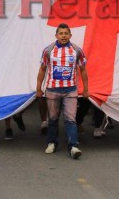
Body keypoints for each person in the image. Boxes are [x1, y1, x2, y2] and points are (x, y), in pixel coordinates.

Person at [36, 23, 89, 159]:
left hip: (70, 90)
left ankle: (73, 146)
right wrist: (38, 88)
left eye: (66, 33)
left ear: (70, 35)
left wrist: (86, 89)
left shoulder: (77, 50)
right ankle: (51, 143)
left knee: (70, 119)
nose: (63, 36)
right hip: (52, 89)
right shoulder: (48, 50)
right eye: (61, 33)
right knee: (53, 118)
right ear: (56, 35)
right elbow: (42, 69)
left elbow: (83, 70)